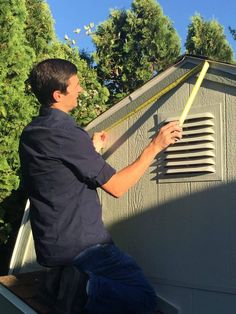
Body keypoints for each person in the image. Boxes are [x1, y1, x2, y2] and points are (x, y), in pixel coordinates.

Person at [19, 58, 182, 314]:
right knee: (143, 298)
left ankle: (71, 285)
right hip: (85, 249)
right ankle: (81, 287)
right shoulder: (67, 135)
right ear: (58, 94)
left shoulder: (32, 133)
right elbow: (117, 187)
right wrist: (155, 146)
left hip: (53, 249)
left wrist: (91, 151)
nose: (80, 90)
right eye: (76, 86)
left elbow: (59, 172)